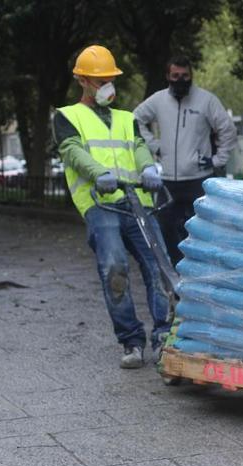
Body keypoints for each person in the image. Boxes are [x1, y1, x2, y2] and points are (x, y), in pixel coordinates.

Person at [53, 45, 170, 369]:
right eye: (99, 79)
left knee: (160, 267)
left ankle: (164, 337)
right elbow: (73, 151)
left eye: (110, 78)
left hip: (138, 203)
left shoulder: (126, 118)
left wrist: (148, 168)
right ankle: (131, 341)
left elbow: (138, 146)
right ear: (82, 81)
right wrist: (98, 174)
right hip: (100, 204)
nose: (107, 85)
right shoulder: (66, 117)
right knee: (114, 268)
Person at [134, 55, 237, 266]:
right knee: (166, 231)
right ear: (168, 76)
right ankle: (174, 275)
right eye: (175, 76)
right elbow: (134, 120)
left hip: (198, 180)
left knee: (202, 232)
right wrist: (154, 146)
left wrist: (218, 160)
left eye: (185, 76)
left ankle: (200, 273)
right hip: (168, 181)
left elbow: (227, 130)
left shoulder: (206, 100)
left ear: (191, 76)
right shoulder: (158, 100)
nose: (180, 80)